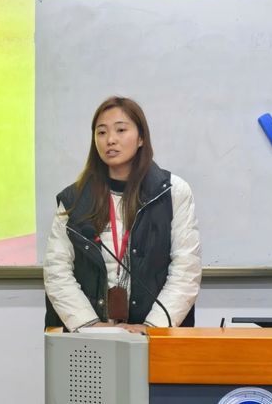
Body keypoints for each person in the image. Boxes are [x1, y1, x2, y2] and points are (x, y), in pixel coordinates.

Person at [44, 97, 201, 333]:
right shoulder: (74, 199)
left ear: (141, 138)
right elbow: (57, 270)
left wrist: (151, 327)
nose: (110, 140)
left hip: (155, 335)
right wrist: (90, 325)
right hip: (88, 338)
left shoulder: (172, 192)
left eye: (120, 130)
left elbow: (186, 269)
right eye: (101, 132)